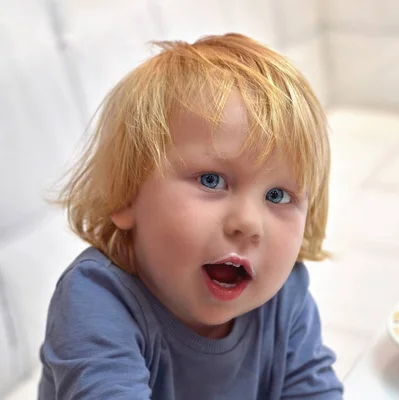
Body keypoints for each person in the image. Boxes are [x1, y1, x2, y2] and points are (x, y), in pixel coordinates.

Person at [38, 33, 343, 399]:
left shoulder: (285, 297)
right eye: (212, 180)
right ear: (126, 194)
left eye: (277, 195)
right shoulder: (96, 297)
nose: (247, 223)